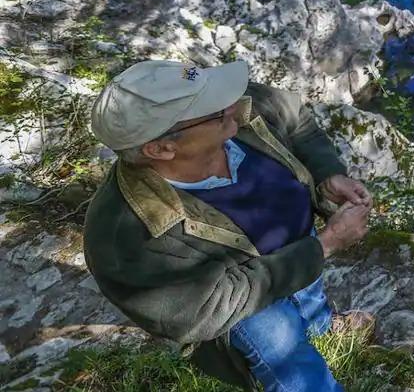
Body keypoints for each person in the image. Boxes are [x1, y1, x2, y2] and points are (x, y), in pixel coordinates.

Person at [83, 59, 374, 392]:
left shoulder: (230, 111)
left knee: (308, 291)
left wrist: (326, 175)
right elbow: (208, 308)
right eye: (215, 110)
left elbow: (295, 118)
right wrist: (326, 244)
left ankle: (321, 327)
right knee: (287, 355)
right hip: (244, 300)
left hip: (297, 242)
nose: (234, 104)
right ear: (161, 148)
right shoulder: (125, 235)